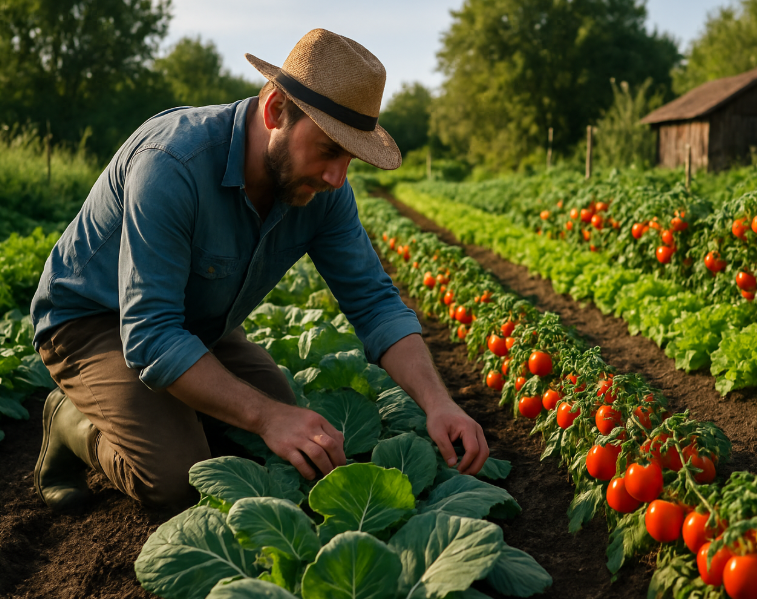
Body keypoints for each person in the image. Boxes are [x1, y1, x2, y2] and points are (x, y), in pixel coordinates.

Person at [30, 28, 489, 512]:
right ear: (274, 111)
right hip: (93, 321)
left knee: (297, 448)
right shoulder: (172, 163)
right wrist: (266, 417)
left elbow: (374, 302)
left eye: (351, 158)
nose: (338, 177)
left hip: (195, 323)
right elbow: (152, 334)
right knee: (176, 481)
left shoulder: (324, 192)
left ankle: (178, 409)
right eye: (329, 149)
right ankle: (69, 421)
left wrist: (438, 403)